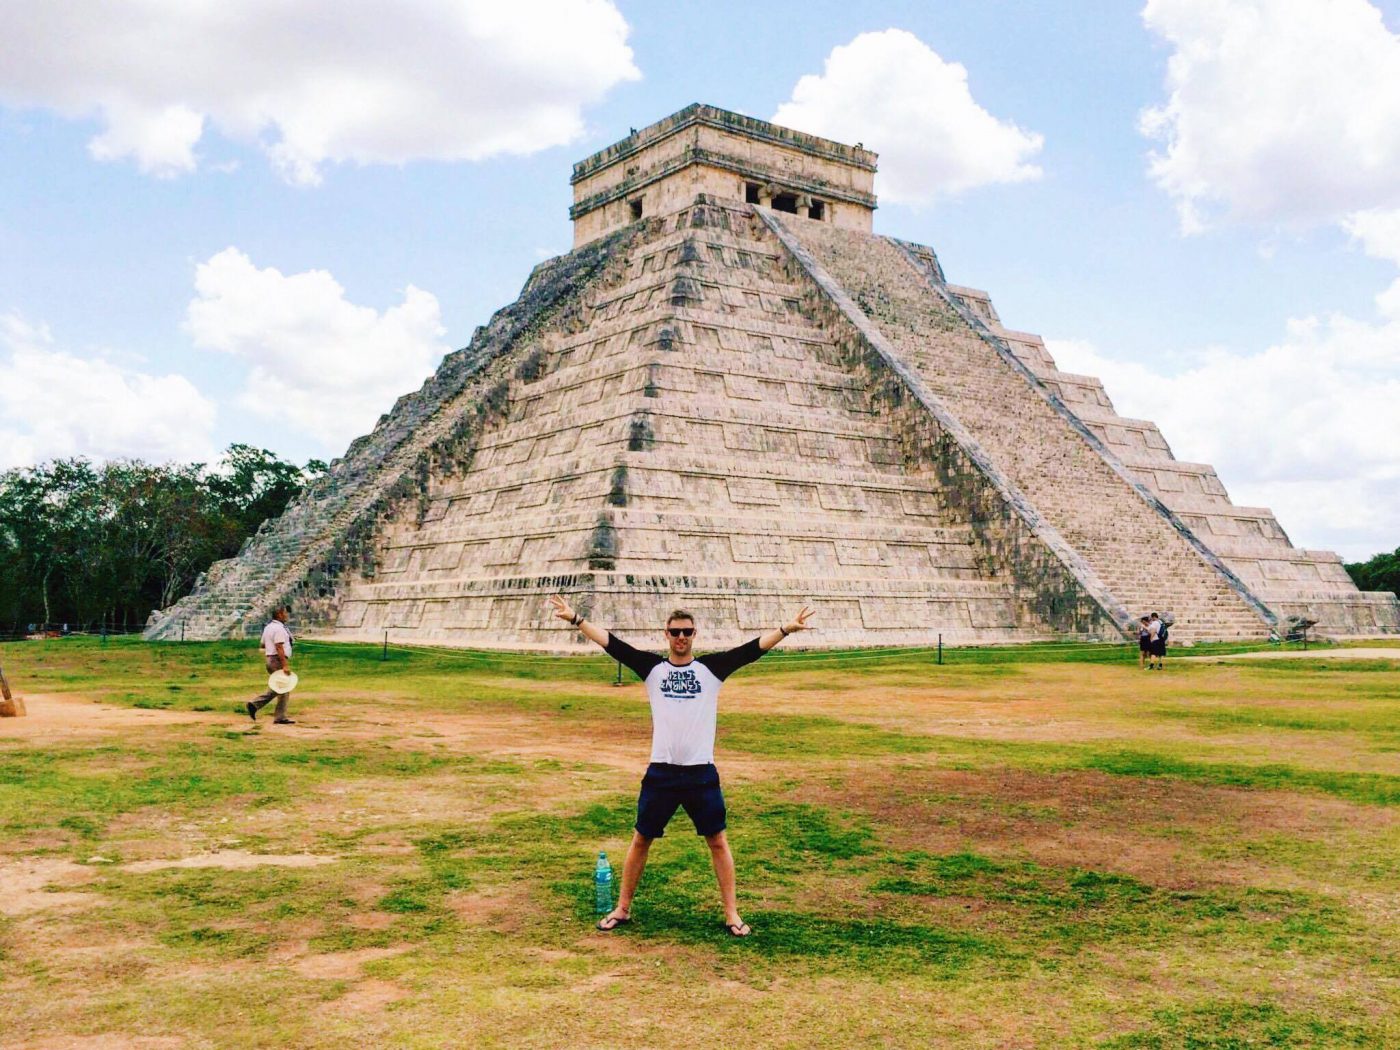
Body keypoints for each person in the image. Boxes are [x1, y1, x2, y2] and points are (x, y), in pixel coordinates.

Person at [548, 594, 814, 938]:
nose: (681, 638)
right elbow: (615, 646)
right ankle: (623, 908)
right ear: (666, 635)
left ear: (694, 634)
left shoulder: (709, 670)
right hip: (661, 773)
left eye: (687, 632)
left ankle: (732, 914)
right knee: (641, 839)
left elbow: (750, 651)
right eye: (675, 632)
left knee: (717, 841)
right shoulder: (653, 670)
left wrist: (785, 630)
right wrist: (575, 619)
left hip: (700, 773)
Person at [247, 605, 296, 723]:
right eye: (285, 613)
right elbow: (279, 647)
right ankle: (258, 706)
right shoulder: (279, 629)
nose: (287, 615)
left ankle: (275, 714)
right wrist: (285, 665)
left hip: (270, 659)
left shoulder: (268, 627)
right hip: (277, 660)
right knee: (283, 687)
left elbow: (263, 645)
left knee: (281, 687)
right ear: (279, 614)